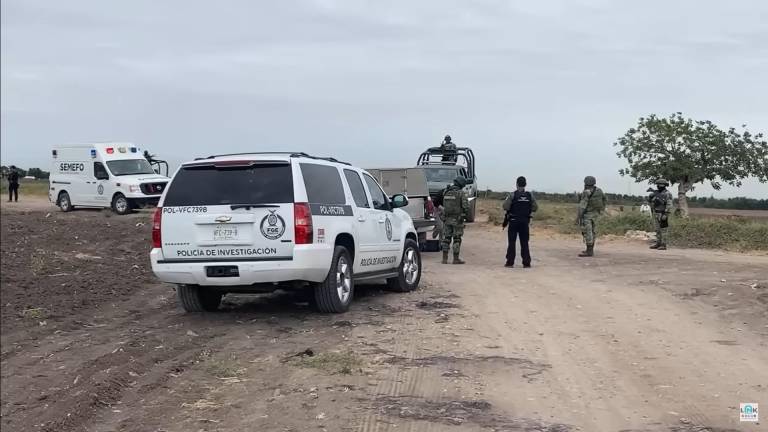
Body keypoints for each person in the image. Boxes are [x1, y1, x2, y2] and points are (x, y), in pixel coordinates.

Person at [503, 176, 538, 268]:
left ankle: (510, 262)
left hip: (513, 221)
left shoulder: (512, 195)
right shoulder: (530, 195)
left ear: (517, 184)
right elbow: (535, 208)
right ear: (525, 184)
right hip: (524, 222)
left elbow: (505, 207)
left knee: (512, 242)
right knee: (524, 243)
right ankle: (526, 263)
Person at [440, 176, 470, 264]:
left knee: (446, 238)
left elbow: (443, 204)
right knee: (457, 239)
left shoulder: (446, 192)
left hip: (447, 219)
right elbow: (466, 206)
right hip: (457, 219)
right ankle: (455, 259)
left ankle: (444, 259)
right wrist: (464, 215)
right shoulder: (461, 193)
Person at [576, 175, 606, 257]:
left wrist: (578, 217)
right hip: (596, 215)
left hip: (587, 215)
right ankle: (590, 250)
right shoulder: (599, 191)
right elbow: (604, 200)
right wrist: (601, 210)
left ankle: (589, 251)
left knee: (587, 232)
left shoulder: (586, 192)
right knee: (593, 232)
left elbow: (582, 206)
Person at [648, 178, 673, 250]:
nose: (658, 186)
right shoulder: (656, 193)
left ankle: (663, 244)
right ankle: (658, 243)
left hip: (663, 213)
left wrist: (666, 214)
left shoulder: (668, 194)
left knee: (664, 230)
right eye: (658, 185)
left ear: (664, 186)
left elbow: (669, 205)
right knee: (657, 230)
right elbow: (651, 201)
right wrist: (651, 196)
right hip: (656, 213)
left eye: (660, 185)